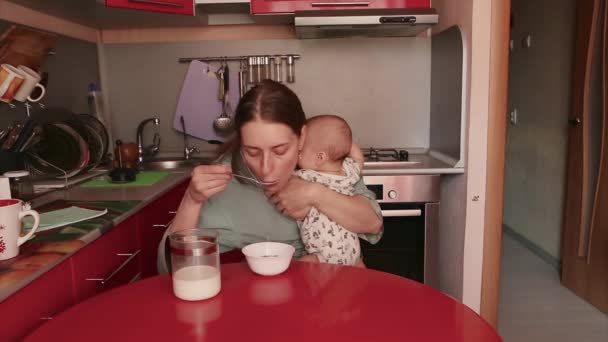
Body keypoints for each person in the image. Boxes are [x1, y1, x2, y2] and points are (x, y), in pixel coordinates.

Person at [157, 80, 382, 273]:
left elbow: (372, 223)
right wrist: (192, 200)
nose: (266, 169)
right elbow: (172, 268)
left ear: (302, 137)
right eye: (252, 152)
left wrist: (315, 194)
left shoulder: (322, 164)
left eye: (280, 150)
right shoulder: (222, 179)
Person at [295, 115, 365, 265]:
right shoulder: (349, 171)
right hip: (352, 253)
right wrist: (342, 143)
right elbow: (359, 158)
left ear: (320, 157)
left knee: (298, 268)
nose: (296, 154)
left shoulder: (306, 176)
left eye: (300, 151)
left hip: (324, 255)